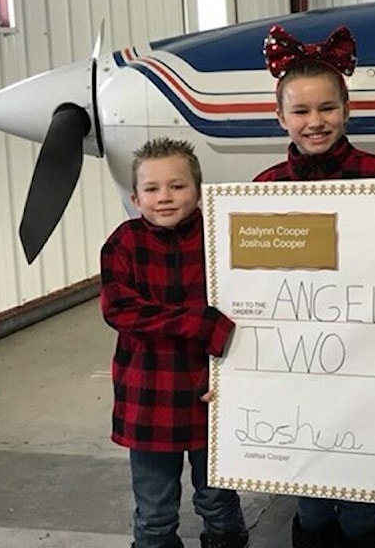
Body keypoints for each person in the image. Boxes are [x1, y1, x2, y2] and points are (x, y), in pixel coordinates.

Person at [255, 24, 375, 548]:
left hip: (367, 362)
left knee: (361, 507)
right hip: (299, 369)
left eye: (327, 109)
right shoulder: (262, 193)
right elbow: (251, 292)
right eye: (300, 112)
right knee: (312, 504)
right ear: (279, 117)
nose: (315, 123)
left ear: (347, 109)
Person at [101, 137, 249, 548]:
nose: (164, 197)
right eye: (152, 189)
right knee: (154, 513)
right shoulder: (123, 243)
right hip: (148, 400)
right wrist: (201, 324)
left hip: (212, 396)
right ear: (135, 196)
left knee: (218, 501)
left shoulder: (223, 237)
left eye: (177, 186)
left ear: (198, 190)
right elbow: (120, 310)